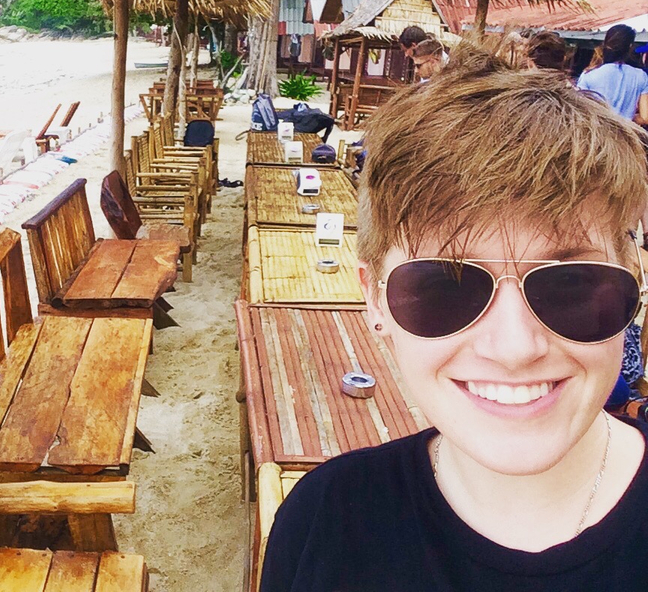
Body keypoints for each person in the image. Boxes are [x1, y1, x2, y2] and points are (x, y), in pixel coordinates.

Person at [261, 53, 648, 591]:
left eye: (572, 284)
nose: (515, 347)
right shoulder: (324, 522)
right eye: (447, 286)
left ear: (633, 286)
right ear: (374, 303)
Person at [577, 24, 648, 122]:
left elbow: (580, 111)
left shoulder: (589, 74)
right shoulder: (641, 76)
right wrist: (626, 119)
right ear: (630, 46)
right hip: (625, 134)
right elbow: (645, 117)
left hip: (596, 132)